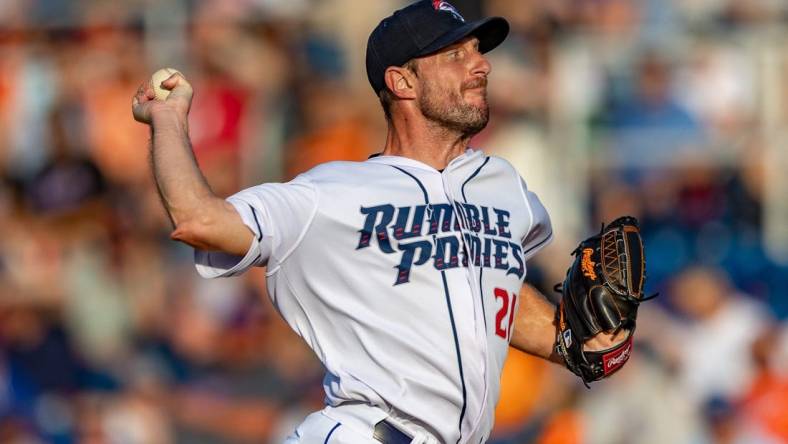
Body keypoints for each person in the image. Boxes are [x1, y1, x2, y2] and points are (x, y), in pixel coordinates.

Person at [132, 1, 627, 443]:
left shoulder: (504, 187)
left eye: (478, 51)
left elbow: (490, 288)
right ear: (402, 81)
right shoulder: (331, 194)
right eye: (455, 55)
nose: (480, 65)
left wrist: (573, 342)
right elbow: (197, 219)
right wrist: (170, 121)